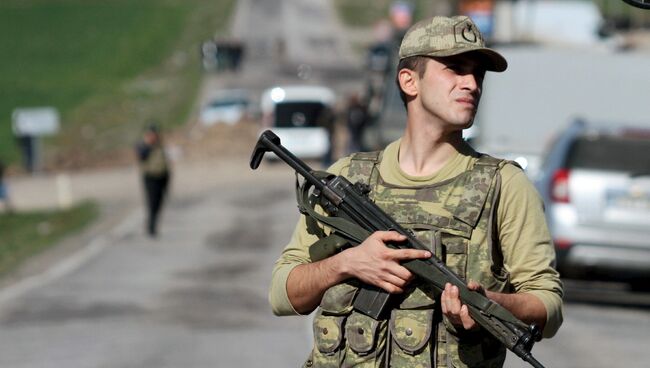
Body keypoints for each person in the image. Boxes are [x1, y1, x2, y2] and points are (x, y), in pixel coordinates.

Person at [269, 15, 563, 367]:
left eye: (477, 73)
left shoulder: (504, 185)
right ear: (410, 81)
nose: (471, 83)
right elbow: (282, 294)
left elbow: (548, 304)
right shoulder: (347, 177)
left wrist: (490, 303)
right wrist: (348, 264)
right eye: (455, 68)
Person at [135, 124, 171, 237]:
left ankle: (153, 226)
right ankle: (151, 227)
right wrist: (148, 144)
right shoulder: (143, 146)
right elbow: (141, 156)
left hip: (162, 176)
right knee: (152, 203)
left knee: (159, 202)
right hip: (150, 178)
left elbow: (165, 162)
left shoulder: (159, 145)